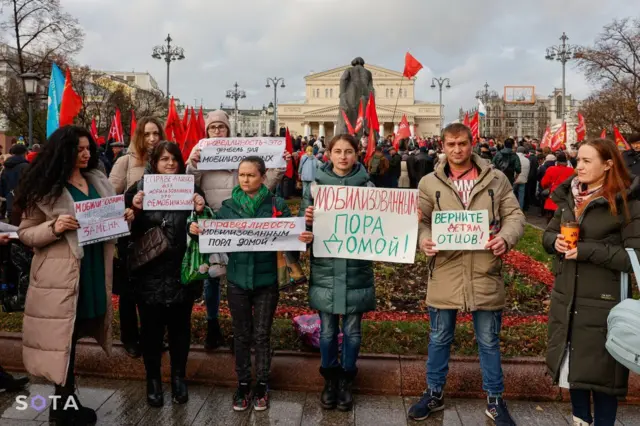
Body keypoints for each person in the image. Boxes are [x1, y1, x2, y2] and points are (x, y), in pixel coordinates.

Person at [15, 126, 134, 425]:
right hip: (59, 276)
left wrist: (123, 216)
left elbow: (106, 218)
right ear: (62, 151)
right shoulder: (44, 187)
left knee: (75, 332)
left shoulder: (97, 178)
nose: (86, 154)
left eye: (88, 148)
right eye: (79, 149)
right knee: (62, 336)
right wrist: (54, 227)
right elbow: (25, 233)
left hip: (93, 267)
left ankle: (65, 399)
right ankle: (63, 403)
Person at [409, 123, 525, 425]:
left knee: (488, 340)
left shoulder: (495, 179)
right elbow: (420, 220)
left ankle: (495, 400)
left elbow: (514, 215)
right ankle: (433, 393)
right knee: (438, 338)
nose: (457, 150)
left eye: (462, 144)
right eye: (451, 144)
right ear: (442, 146)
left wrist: (506, 238)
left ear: (471, 144)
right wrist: (424, 238)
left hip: (484, 271)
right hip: (444, 273)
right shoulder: (429, 183)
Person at [190, 156, 312, 411]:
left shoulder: (277, 204)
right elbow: (215, 239)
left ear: (263, 177)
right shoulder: (228, 206)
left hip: (267, 281)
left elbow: (291, 243)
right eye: (242, 175)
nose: (245, 180)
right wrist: (202, 230)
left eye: (251, 175)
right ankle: (243, 385)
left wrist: (302, 237)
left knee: (261, 335)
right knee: (242, 335)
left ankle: (262, 385)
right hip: (237, 281)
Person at [543, 138, 640, 426]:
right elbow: (547, 235)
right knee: (574, 371)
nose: (578, 166)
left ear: (608, 164)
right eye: (578, 160)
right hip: (567, 298)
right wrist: (555, 242)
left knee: (602, 377)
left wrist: (586, 250)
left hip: (603, 302)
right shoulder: (569, 197)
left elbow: (633, 257)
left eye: (587, 161)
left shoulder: (627, 201)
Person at [187, 110, 289, 351]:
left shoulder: (242, 156)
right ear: (207, 131)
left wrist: (280, 165)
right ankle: (213, 326)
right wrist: (194, 164)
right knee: (211, 279)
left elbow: (264, 183)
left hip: (241, 222)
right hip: (214, 221)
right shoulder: (200, 152)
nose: (217, 132)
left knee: (239, 281)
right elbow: (190, 182)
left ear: (228, 130)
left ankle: (241, 332)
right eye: (213, 128)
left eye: (221, 127)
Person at [128, 141, 206, 407]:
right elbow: (125, 228)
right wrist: (135, 209)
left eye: (174, 158)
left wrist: (200, 211)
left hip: (180, 271)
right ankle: (152, 381)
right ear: (154, 163)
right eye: (164, 159)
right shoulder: (139, 188)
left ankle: (178, 379)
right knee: (150, 332)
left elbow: (204, 225)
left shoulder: (191, 188)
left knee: (180, 331)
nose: (170, 163)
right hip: (149, 273)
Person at [302, 134, 376, 412]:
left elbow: (381, 224)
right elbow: (302, 230)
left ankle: (346, 379)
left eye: (348, 151)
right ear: (328, 154)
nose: (343, 156)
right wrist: (307, 225)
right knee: (328, 331)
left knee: (353, 332)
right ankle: (329, 378)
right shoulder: (315, 187)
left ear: (356, 154)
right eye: (337, 151)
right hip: (326, 268)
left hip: (356, 267)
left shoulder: (368, 186)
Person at [109, 116, 165, 359]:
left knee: (154, 290)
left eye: (156, 134)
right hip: (131, 234)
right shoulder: (125, 161)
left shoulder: (167, 160)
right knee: (129, 291)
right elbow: (109, 197)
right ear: (139, 136)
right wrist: (128, 206)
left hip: (158, 236)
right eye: (147, 134)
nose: (152, 138)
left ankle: (152, 336)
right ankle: (129, 337)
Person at [540, 152, 575, 222]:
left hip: (553, 195)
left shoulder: (551, 169)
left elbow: (544, 183)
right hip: (565, 196)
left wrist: (547, 188)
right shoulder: (571, 171)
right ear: (566, 162)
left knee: (551, 217)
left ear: (557, 161)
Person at [0, 144, 29, 220]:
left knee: (13, 225)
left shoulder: (5, 167)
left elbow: (2, 184)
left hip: (10, 202)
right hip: (24, 203)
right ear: (24, 153)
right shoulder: (26, 166)